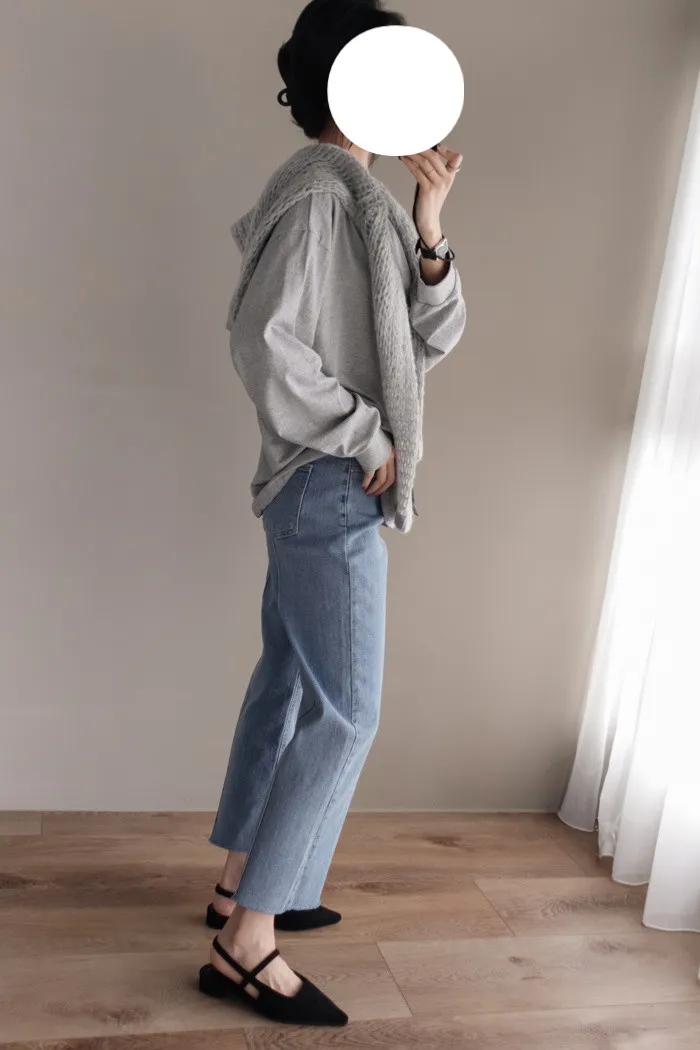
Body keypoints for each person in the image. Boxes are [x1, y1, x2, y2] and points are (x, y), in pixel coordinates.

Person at [197, 0, 467, 1027]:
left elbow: (422, 340)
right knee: (346, 710)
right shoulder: (322, 195)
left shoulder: (359, 195)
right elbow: (263, 344)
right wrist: (365, 438)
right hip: (328, 478)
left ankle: (239, 883)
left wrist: (430, 229)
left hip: (318, 477)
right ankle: (246, 942)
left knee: (290, 683)